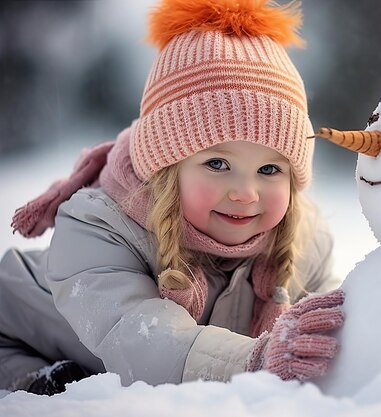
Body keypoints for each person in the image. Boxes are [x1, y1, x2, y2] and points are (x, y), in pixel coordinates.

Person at [0, 0, 344, 396]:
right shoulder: (100, 229)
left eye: (269, 170)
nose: (246, 193)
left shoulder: (303, 243)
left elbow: (332, 326)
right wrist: (252, 360)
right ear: (166, 166)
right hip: (15, 333)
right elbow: (138, 331)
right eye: (217, 163)